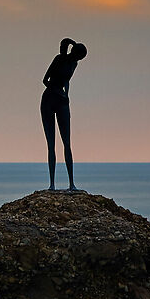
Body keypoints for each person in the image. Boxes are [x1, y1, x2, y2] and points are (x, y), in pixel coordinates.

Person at [41, 38, 88, 191]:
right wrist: (57, 92)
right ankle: (52, 184)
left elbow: (66, 81)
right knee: (51, 144)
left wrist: (66, 94)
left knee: (67, 143)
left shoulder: (74, 64)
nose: (77, 60)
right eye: (77, 56)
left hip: (62, 101)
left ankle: (71, 184)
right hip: (48, 100)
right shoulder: (60, 58)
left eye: (79, 59)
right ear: (73, 52)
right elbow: (45, 80)